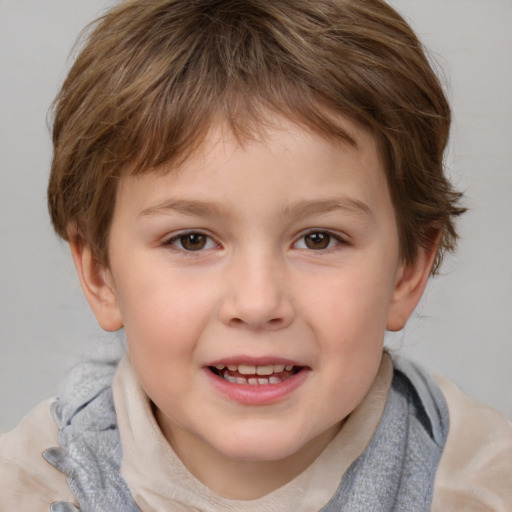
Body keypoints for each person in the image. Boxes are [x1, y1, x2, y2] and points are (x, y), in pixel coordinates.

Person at [1, 0, 511, 510]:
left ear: (408, 269)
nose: (258, 301)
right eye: (192, 240)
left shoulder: (485, 489)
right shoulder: (26, 490)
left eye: (318, 239)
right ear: (100, 275)